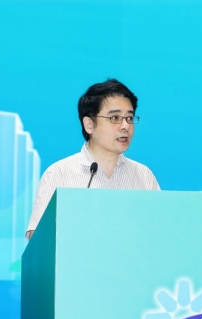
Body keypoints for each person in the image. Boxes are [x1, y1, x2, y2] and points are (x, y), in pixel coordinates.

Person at [25, 79, 160, 240]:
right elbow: (38, 241)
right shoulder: (59, 174)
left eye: (129, 118)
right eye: (115, 118)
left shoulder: (143, 176)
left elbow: (159, 234)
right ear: (89, 124)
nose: (125, 126)